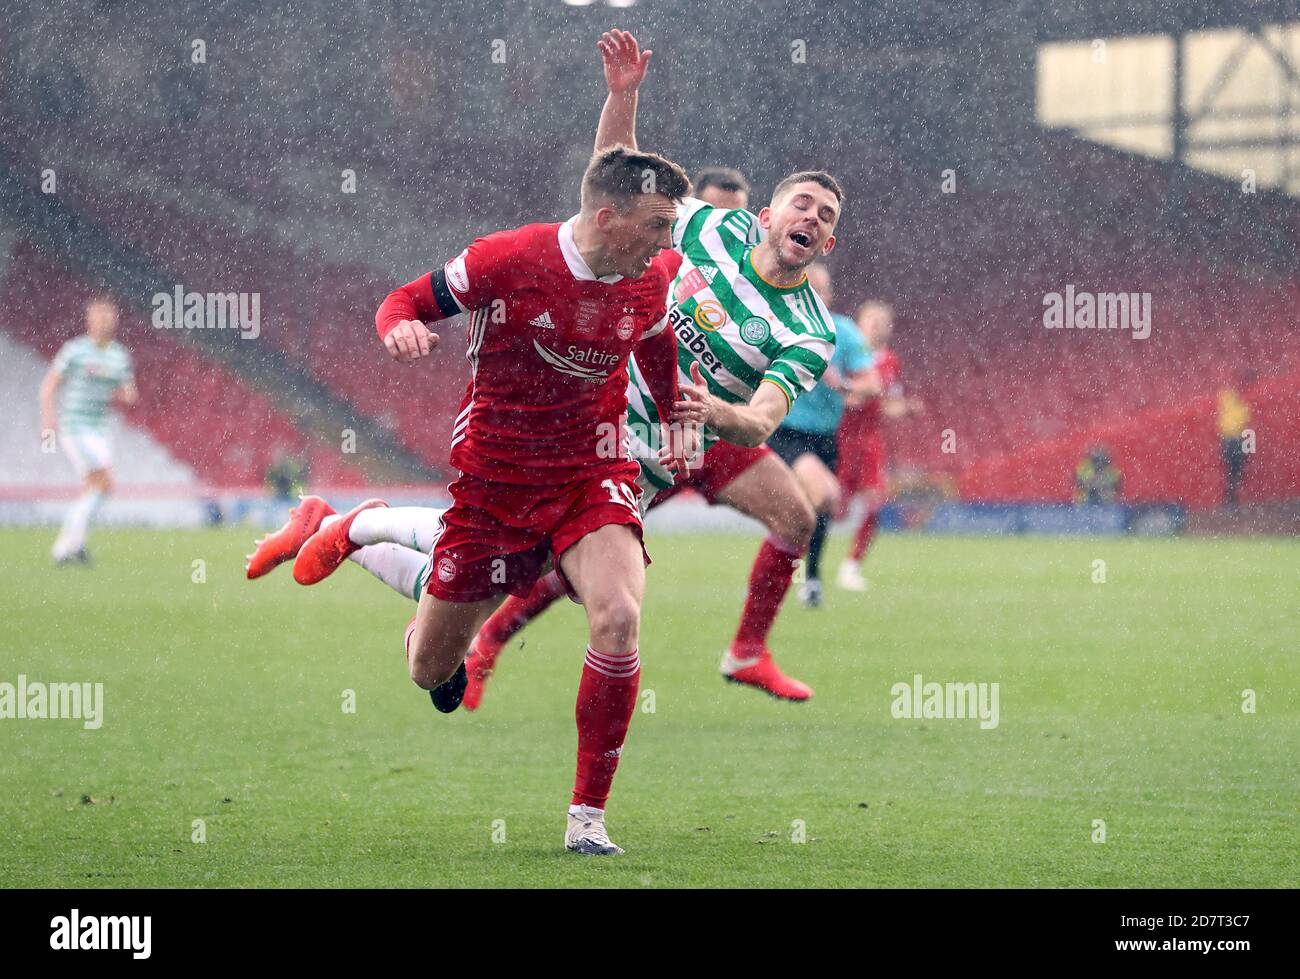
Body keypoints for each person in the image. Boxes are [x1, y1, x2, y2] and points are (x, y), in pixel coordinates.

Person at [252, 142, 693, 857]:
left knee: (618, 616)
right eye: (656, 226)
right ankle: (363, 525)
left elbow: (657, 343)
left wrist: (672, 426)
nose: (665, 244)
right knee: (432, 672)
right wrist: (397, 326)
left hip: (593, 471)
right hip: (497, 478)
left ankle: (586, 819)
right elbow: (404, 299)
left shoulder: (650, 278)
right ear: (607, 217)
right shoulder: (508, 259)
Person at [765, 263, 878, 608]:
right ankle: (799, 578)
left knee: (801, 511)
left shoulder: (843, 333)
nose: (814, 295)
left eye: (821, 289)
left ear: (829, 295)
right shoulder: (778, 325)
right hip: (785, 431)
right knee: (824, 495)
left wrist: (840, 383)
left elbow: (872, 385)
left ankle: (804, 578)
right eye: (806, 287)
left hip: (826, 438)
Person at [38, 298, 138, 564]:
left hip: (100, 429)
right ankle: (65, 548)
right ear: (89, 320)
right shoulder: (75, 351)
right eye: (100, 315)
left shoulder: (119, 355)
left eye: (110, 316)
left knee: (94, 488)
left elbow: (127, 392)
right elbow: (49, 386)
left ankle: (71, 546)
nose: (106, 320)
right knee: (105, 483)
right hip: (76, 426)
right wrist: (49, 422)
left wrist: (127, 393)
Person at [835, 301, 921, 592]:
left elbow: (885, 405)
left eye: (884, 321)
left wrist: (906, 409)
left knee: (875, 502)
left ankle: (851, 568)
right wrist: (856, 395)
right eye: (873, 320)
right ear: (859, 324)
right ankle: (798, 565)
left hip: (870, 441)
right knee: (830, 506)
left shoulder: (890, 361)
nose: (879, 326)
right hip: (839, 437)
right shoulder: (846, 353)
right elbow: (844, 397)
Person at [1217, 384, 1252, 507]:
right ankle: (1232, 498)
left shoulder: (1228, 407)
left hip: (1233, 440)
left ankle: (1231, 499)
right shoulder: (1238, 407)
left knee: (1233, 471)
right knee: (1235, 471)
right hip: (1235, 440)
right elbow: (1246, 426)